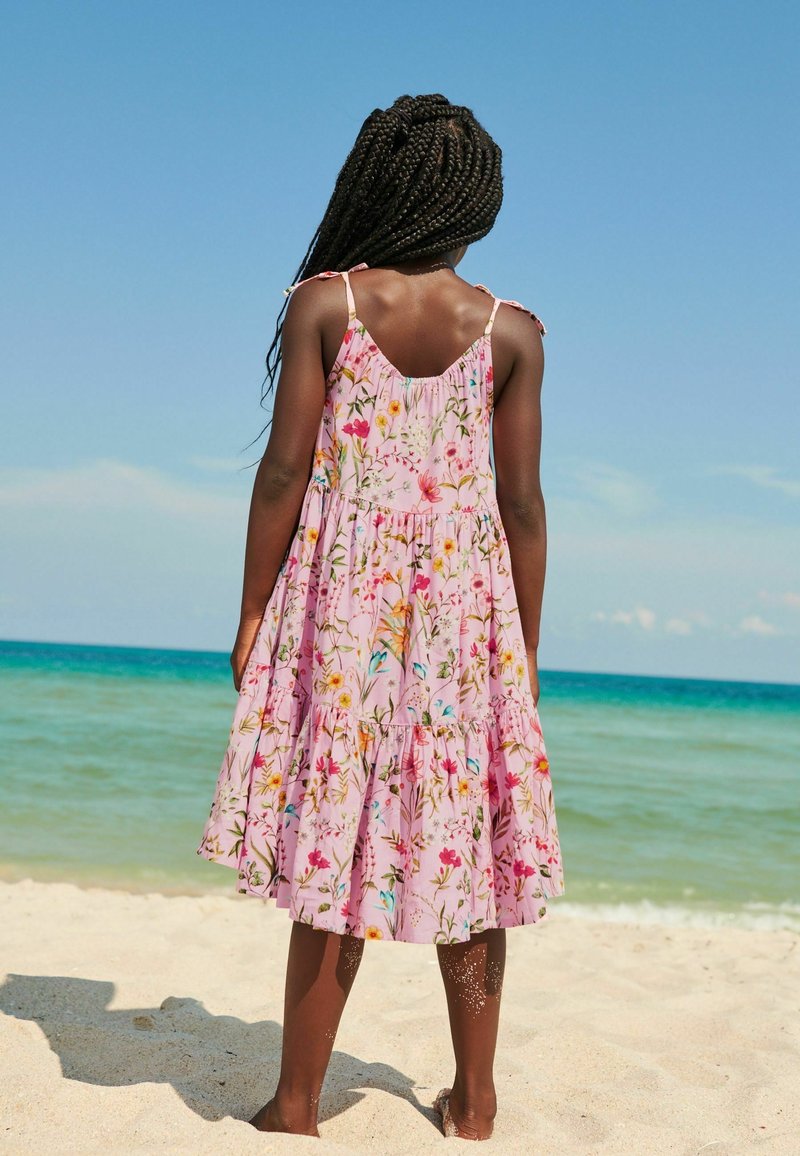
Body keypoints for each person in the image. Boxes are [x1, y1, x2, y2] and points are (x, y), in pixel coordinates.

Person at [196, 92, 565, 1142]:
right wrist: (522, 650)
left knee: (331, 842)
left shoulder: (326, 306)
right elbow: (522, 507)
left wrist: (252, 610)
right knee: (471, 845)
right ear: (474, 204)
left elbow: (282, 473)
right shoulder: (512, 334)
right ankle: (476, 1102)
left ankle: (297, 1101)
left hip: (340, 612)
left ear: (377, 187)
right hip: (464, 625)